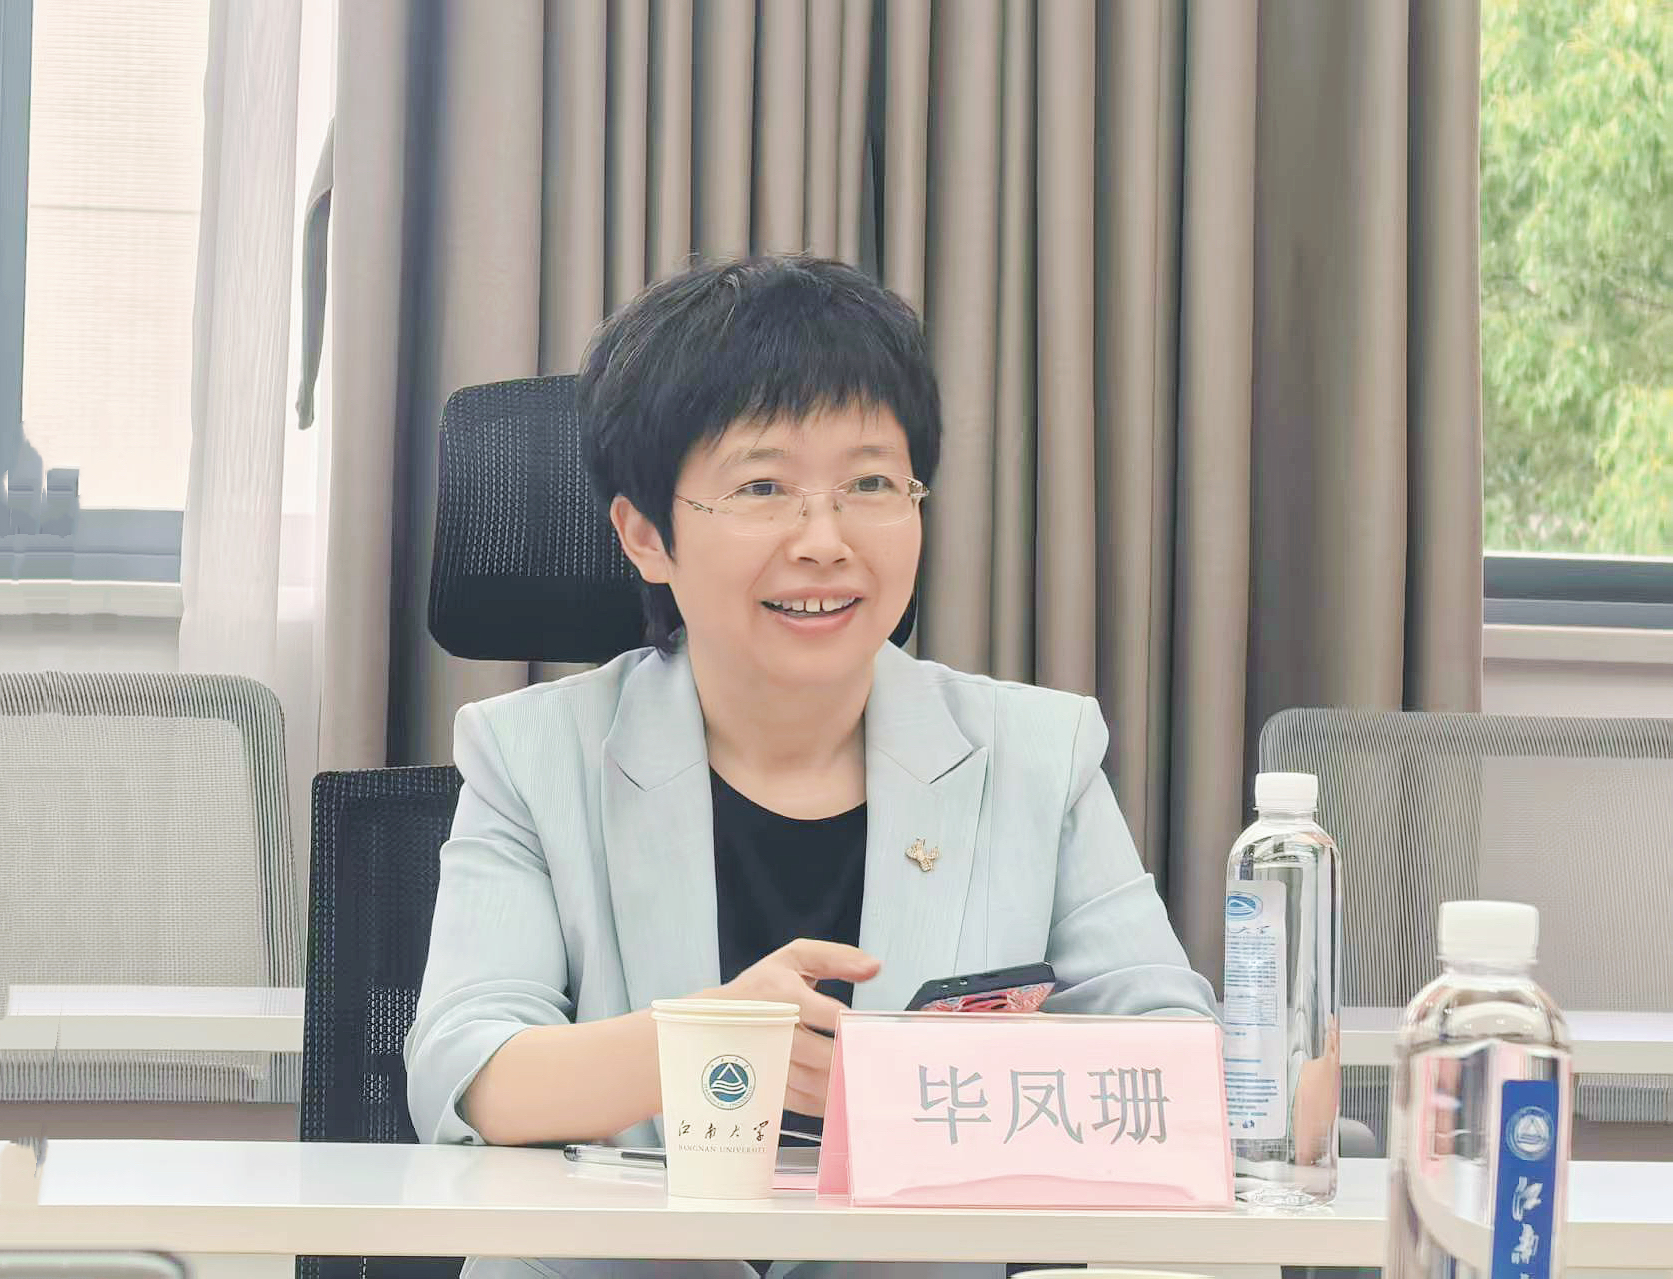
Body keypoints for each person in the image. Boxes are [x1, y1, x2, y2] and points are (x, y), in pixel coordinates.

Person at [404, 255, 1218, 1279]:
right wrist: (714, 1044)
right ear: (645, 535)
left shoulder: (1036, 754)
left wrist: (922, 1084)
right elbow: (470, 1070)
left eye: (870, 483)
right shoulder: (528, 755)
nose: (825, 540)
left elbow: (1171, 1056)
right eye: (763, 487)